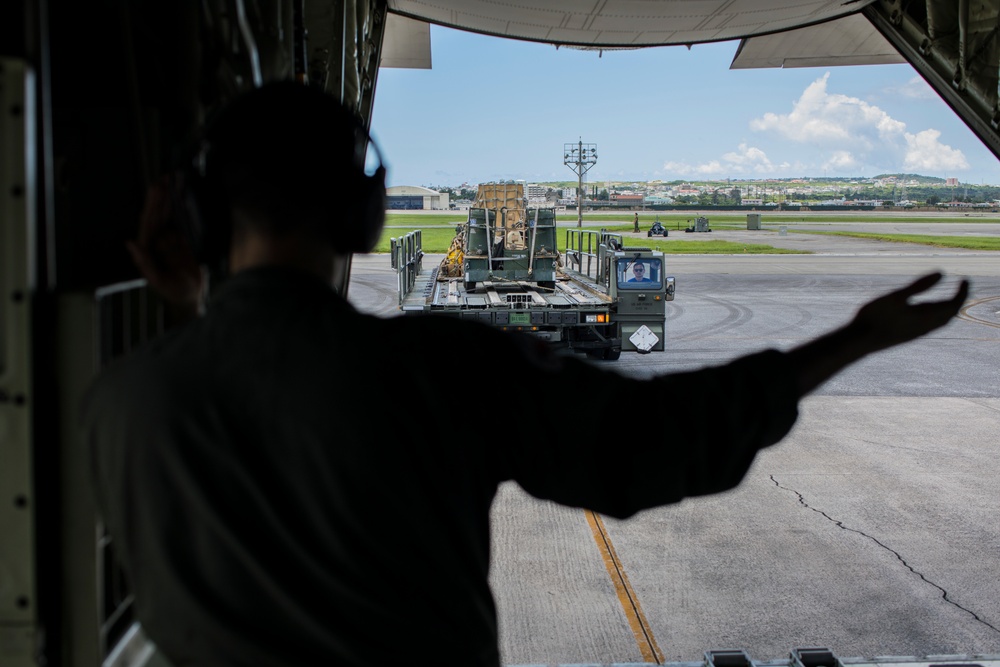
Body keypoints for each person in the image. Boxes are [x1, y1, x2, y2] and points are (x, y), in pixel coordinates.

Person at [83, 81, 969, 667]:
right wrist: (849, 339)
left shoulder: (122, 403)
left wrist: (185, 313)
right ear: (362, 217)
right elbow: (656, 443)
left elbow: (240, 399)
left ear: (198, 221)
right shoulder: (439, 367)